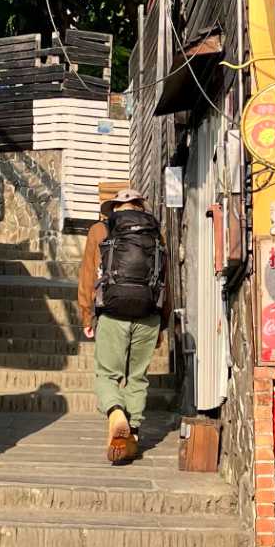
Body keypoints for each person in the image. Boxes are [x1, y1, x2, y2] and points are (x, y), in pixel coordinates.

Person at [77, 187, 170, 464]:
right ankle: (135, 432)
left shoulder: (100, 230)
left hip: (113, 312)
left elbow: (87, 275)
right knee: (138, 376)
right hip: (148, 313)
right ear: (141, 205)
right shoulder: (155, 232)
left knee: (107, 374)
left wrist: (86, 314)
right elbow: (166, 279)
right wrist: (162, 323)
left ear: (114, 207)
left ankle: (116, 412)